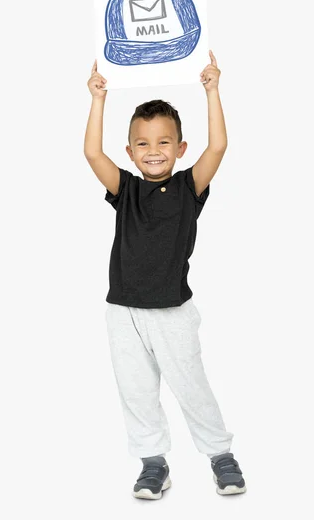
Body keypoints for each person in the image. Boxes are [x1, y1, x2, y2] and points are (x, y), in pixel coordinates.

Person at [84, 51, 247, 499]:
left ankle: (220, 454)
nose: (153, 151)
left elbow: (218, 147)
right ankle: (153, 463)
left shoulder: (188, 187)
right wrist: (98, 99)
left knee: (191, 385)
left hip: (172, 312)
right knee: (136, 390)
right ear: (130, 150)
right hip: (123, 312)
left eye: (163, 143)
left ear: (179, 148)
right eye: (142, 143)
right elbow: (91, 152)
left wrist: (212, 91)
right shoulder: (125, 190)